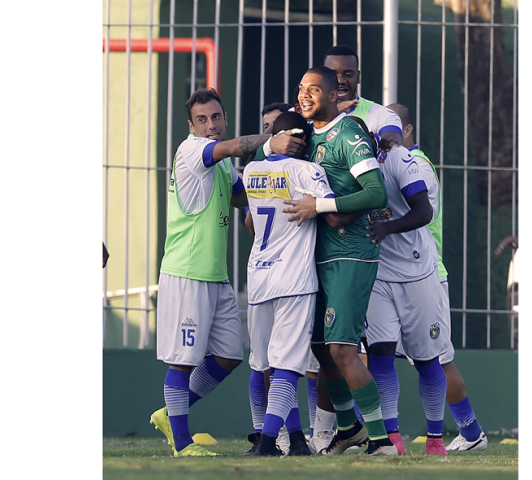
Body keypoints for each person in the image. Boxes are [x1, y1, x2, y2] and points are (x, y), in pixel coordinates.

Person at [148, 88, 305, 457]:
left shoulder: (221, 165)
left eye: (216, 117)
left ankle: (171, 412)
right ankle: (182, 443)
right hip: (186, 272)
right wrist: (271, 141)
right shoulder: (191, 150)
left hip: (216, 276)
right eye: (202, 119)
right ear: (191, 125)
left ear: (225, 118)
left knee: (230, 355)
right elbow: (234, 147)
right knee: (182, 360)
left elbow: (242, 197)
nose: (210, 125)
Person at [277, 66, 397, 456]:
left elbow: (376, 193)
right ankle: (348, 429)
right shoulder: (305, 136)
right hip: (314, 257)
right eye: (301, 88)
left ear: (333, 95)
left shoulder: (348, 133)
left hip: (351, 254)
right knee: (320, 347)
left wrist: (321, 205)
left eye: (313, 89)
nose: (304, 95)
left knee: (343, 350)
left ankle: (381, 440)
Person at [343, 116, 451, 456]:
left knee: (426, 359)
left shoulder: (398, 159)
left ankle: (435, 439)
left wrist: (388, 228)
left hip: (418, 271)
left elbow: (424, 211)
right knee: (380, 355)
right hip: (377, 273)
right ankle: (392, 438)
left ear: (371, 139)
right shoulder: (343, 167)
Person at [386, 103, 488, 451]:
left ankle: (471, 432)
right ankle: (368, 433)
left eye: (393, 127)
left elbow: (418, 213)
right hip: (391, 275)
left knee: (437, 360)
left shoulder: (417, 165)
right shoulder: (387, 163)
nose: (385, 134)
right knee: (371, 355)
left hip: (425, 276)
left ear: (408, 130)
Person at [243, 111, 345, 456]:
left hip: (259, 274)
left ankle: (296, 439)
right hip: (294, 279)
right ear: (301, 140)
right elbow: (332, 213)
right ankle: (268, 443)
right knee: (287, 366)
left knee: (265, 363)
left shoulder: (252, 171)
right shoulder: (308, 171)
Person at [323, 45, 404, 153]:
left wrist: (389, 140)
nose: (340, 80)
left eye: (348, 75)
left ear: (358, 77)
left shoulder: (382, 114)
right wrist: (329, 113)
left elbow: (394, 139)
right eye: (333, 74)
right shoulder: (307, 113)